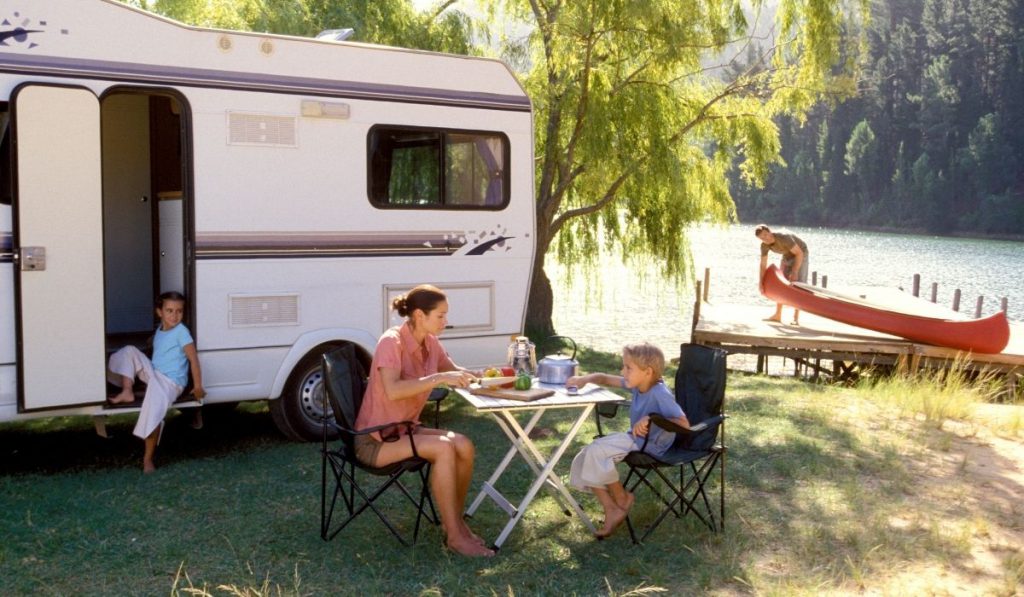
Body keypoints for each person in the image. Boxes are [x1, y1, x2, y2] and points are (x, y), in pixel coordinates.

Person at [354, 284, 494, 557]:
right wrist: (438, 378)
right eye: (440, 315)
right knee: (443, 448)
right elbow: (394, 389)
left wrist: (485, 378)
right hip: (373, 439)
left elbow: (454, 371)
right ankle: (454, 537)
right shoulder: (390, 342)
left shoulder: (430, 343)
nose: (446, 321)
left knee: (463, 444)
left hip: (403, 431)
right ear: (419, 315)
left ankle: (454, 521)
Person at [566, 342, 689, 539]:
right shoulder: (639, 383)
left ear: (647, 372)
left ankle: (616, 503)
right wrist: (585, 379)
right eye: (624, 366)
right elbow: (605, 378)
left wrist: (651, 418)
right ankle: (619, 500)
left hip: (650, 446)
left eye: (627, 368)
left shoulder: (659, 393)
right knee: (587, 453)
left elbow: (684, 424)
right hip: (636, 439)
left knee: (596, 451)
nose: (623, 371)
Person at [107, 291, 205, 473]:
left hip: (170, 382)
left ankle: (147, 460)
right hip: (155, 373)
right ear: (159, 312)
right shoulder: (159, 331)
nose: (174, 316)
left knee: (153, 412)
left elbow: (193, 359)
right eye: (169, 311)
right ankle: (127, 390)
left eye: (179, 311)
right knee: (129, 351)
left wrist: (198, 386)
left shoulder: (182, 332)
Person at [755, 224, 809, 325]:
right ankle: (778, 315)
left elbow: (799, 253)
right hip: (787, 255)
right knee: (781, 283)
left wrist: (795, 271)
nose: (765, 238)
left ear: (770, 231)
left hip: (801, 253)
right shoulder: (764, 246)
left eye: (766, 235)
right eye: (762, 238)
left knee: (798, 284)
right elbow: (763, 265)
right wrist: (761, 282)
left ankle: (795, 318)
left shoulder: (784, 237)